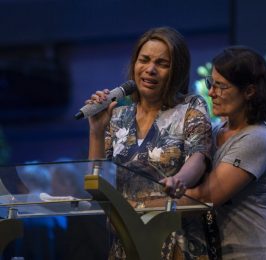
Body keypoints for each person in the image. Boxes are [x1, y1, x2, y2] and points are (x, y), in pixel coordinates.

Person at [86, 27, 212, 259]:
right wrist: (96, 131)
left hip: (177, 244)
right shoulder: (118, 116)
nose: (150, 69)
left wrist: (179, 180)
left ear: (177, 71)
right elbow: (98, 183)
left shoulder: (190, 108)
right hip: (127, 244)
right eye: (144, 60)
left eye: (162, 63)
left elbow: (199, 156)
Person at [165, 46, 266, 259]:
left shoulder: (256, 139)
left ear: (249, 91)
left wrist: (139, 204)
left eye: (221, 86)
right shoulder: (214, 132)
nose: (211, 93)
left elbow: (207, 196)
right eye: (211, 83)